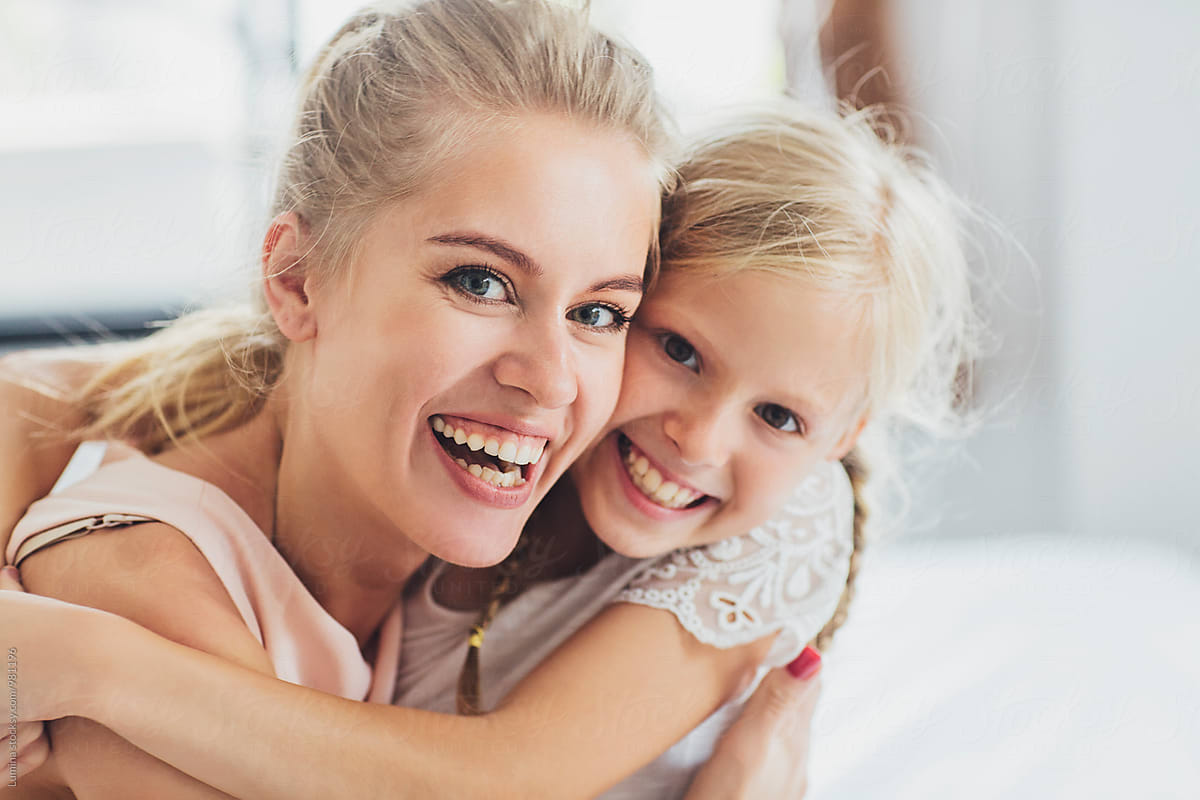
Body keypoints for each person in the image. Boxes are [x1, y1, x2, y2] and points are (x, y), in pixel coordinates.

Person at [1, 97, 977, 798]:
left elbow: (504, 773)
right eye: (673, 347)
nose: (700, 434)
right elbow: (84, 396)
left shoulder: (784, 522)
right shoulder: (469, 471)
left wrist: (94, 666)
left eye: (781, 417)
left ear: (843, 437)